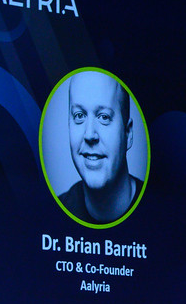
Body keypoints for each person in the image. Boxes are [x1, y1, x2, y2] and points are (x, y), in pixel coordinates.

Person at [56, 70, 142, 225]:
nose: (89, 135)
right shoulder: (52, 214)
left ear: (128, 133)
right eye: (79, 115)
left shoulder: (163, 214)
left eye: (104, 117)